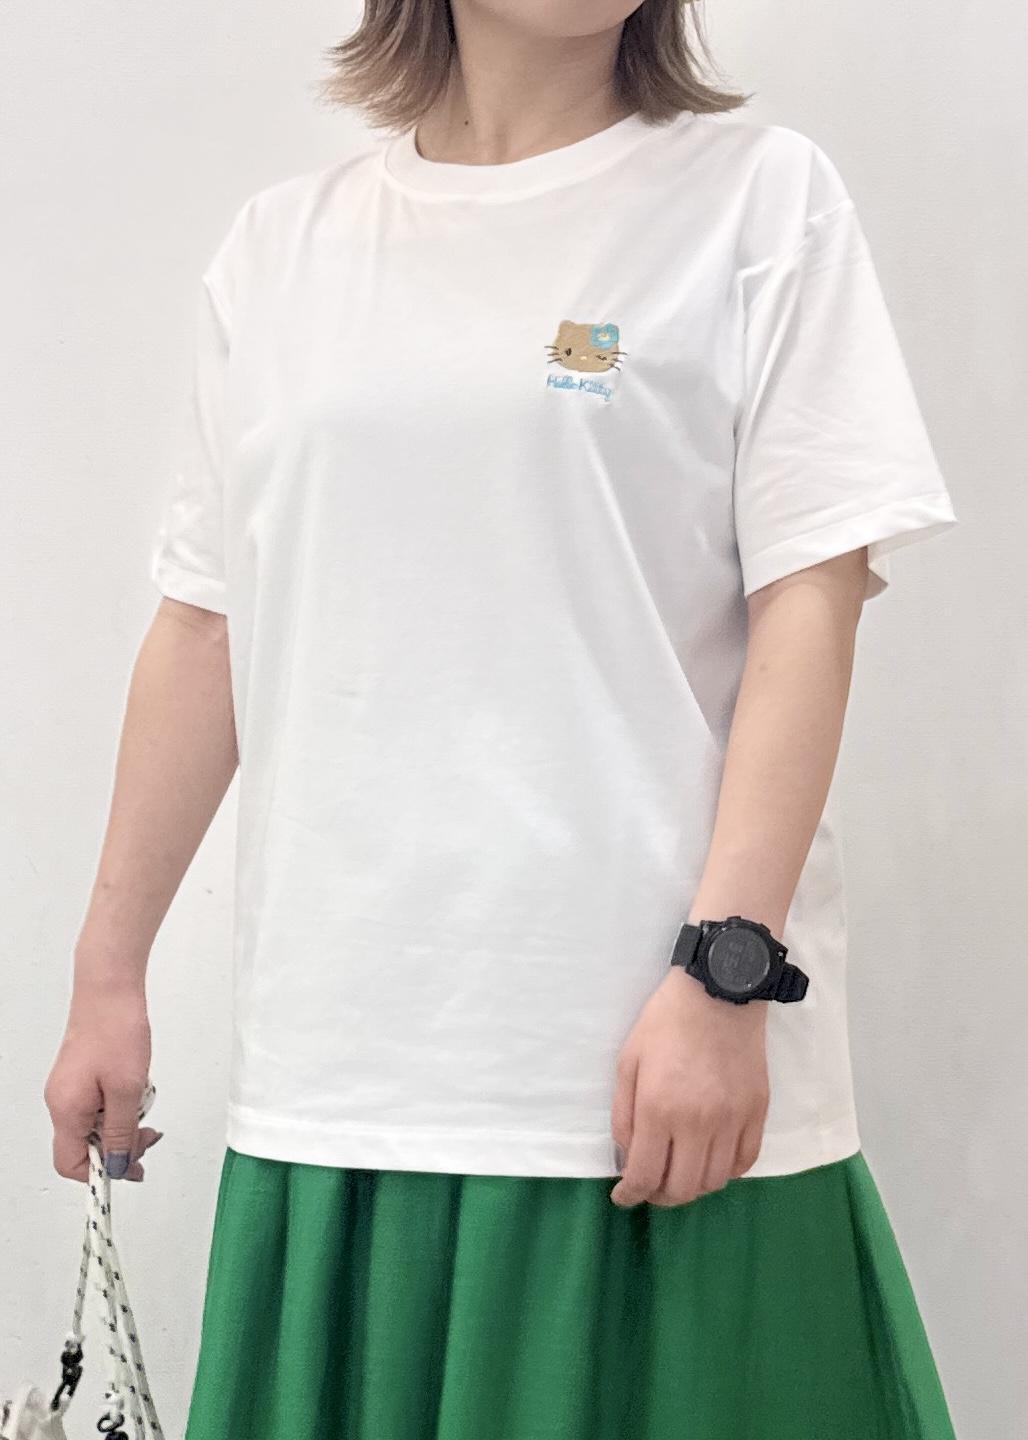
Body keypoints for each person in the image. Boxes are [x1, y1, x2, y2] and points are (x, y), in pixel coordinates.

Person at [44, 1, 961, 1436]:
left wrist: (726, 980)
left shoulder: (757, 203)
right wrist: (108, 976)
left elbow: (813, 600)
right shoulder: (282, 250)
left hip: (649, 1086)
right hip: (342, 1081)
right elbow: (207, 624)